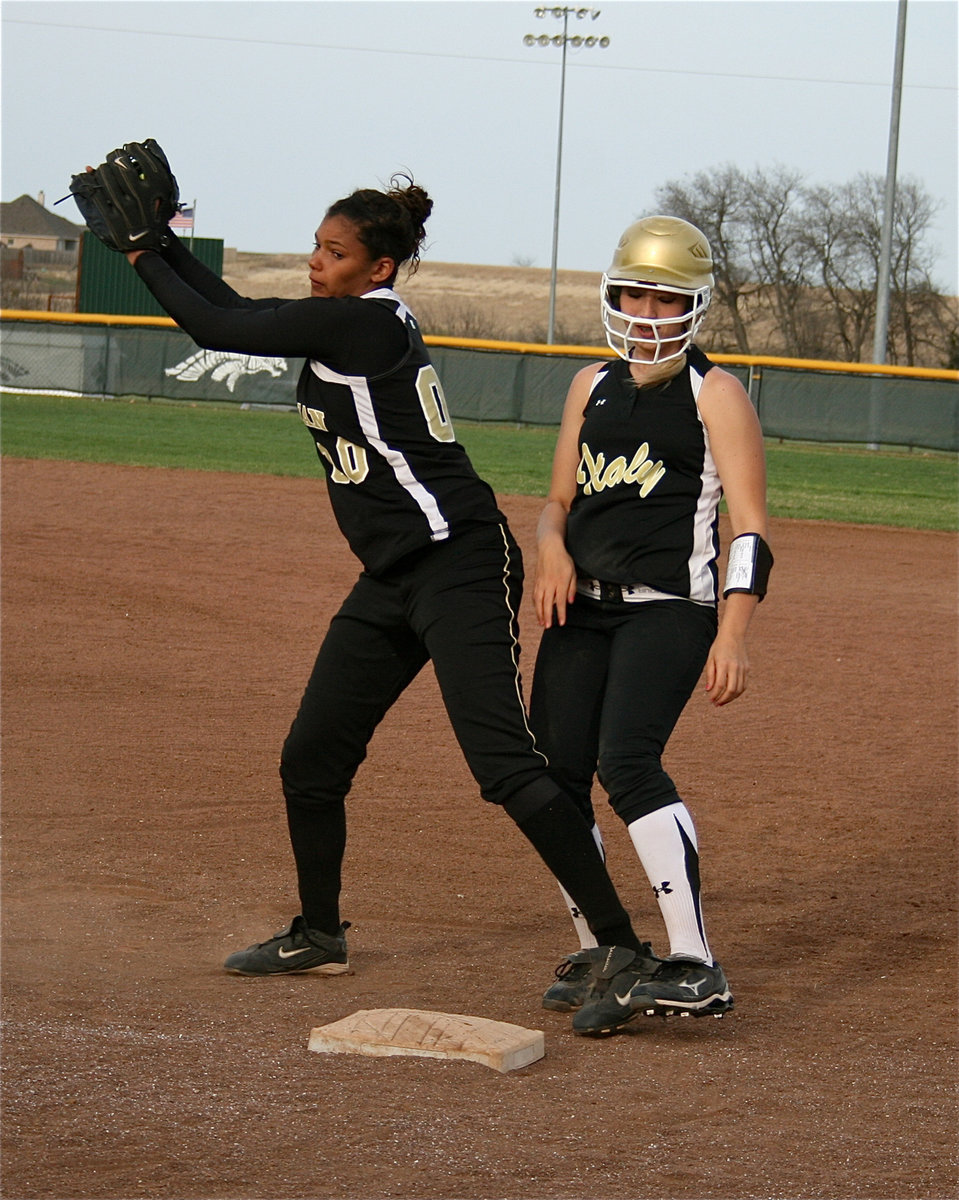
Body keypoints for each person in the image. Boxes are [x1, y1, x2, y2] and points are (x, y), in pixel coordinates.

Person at [121, 170, 653, 993]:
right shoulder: (346, 320)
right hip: (392, 575)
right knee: (311, 758)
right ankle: (320, 933)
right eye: (316, 247)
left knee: (504, 765)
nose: (315, 263)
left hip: (461, 561)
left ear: (377, 269)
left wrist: (138, 251)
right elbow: (239, 312)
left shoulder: (365, 328)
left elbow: (213, 326)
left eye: (334, 254)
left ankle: (621, 946)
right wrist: (160, 243)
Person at [528, 215, 772, 1036]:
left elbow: (750, 528)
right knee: (552, 778)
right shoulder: (589, 384)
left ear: (693, 306)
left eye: (665, 297)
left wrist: (733, 633)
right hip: (581, 607)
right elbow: (556, 502)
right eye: (634, 291)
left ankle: (694, 964)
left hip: (670, 609)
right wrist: (550, 550)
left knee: (625, 764)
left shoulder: (715, 394)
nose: (645, 310)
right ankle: (606, 947)